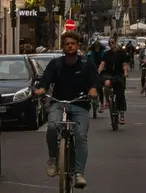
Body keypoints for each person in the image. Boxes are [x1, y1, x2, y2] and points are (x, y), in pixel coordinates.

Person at [34, 31, 98, 189]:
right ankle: (53, 158)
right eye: (67, 44)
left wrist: (93, 90)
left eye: (73, 43)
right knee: (51, 127)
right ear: (62, 47)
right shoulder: (55, 64)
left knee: (80, 136)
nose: (70, 46)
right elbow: (45, 80)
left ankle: (79, 173)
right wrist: (42, 89)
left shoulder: (86, 63)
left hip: (80, 104)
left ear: (78, 46)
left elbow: (95, 80)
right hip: (59, 103)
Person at [98, 41, 129, 124]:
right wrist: (98, 71)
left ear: (115, 43)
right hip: (108, 74)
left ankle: (121, 114)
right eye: (109, 43)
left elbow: (124, 64)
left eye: (112, 42)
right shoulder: (107, 54)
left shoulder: (122, 53)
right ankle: (108, 101)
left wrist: (125, 72)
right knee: (107, 84)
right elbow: (102, 64)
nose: (111, 44)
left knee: (120, 94)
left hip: (119, 74)